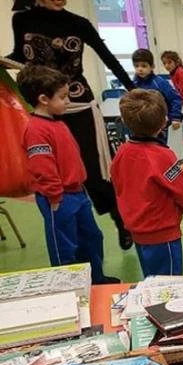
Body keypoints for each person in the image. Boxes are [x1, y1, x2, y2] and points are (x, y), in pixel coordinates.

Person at [8, 0, 134, 250]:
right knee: (55, 171)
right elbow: (19, 56)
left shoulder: (78, 24)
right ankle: (70, 232)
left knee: (94, 171)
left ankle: (120, 218)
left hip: (78, 104)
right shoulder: (21, 20)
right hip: (44, 107)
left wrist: (132, 88)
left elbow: (108, 58)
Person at [17, 65, 117, 284]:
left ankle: (95, 279)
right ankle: (68, 286)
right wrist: (55, 196)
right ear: (44, 99)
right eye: (63, 97)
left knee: (92, 238)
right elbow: (42, 167)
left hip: (78, 192)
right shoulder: (36, 130)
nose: (68, 102)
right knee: (65, 246)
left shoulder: (58, 122)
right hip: (59, 198)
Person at [110, 89, 183, 277]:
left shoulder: (122, 152)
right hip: (163, 232)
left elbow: (116, 183)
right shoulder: (163, 156)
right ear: (164, 122)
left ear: (124, 121)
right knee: (169, 285)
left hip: (137, 230)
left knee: (151, 280)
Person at [131, 48, 182, 145]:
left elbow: (175, 99)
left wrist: (175, 117)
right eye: (136, 66)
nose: (140, 69)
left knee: (158, 147)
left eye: (144, 66)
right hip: (141, 124)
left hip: (159, 126)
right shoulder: (134, 83)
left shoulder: (160, 83)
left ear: (152, 66)